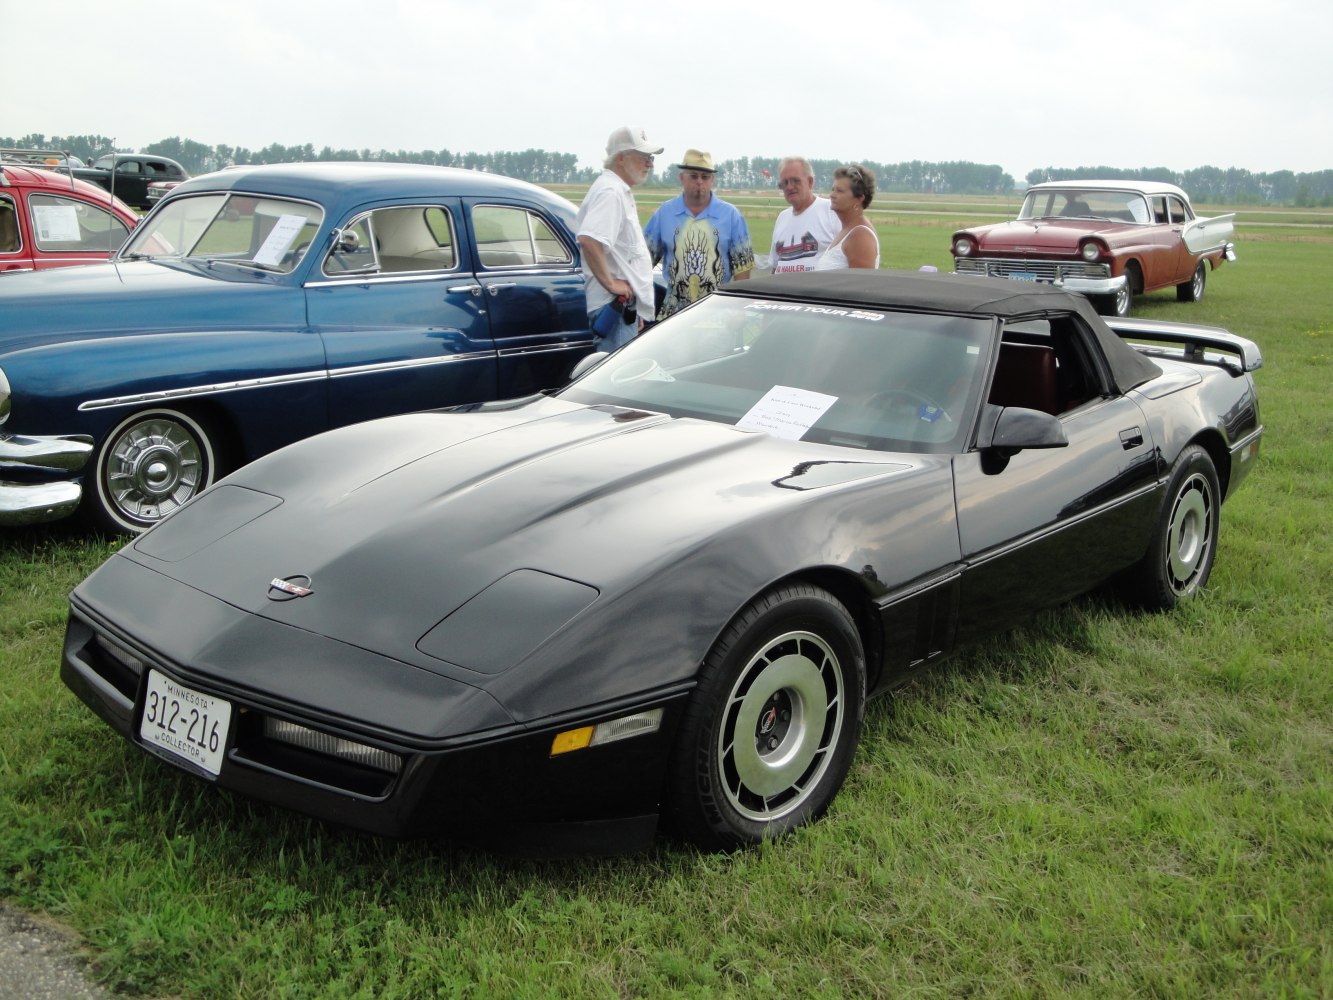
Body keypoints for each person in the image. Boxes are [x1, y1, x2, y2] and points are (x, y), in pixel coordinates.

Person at [576, 126, 663, 351]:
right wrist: (611, 283)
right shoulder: (611, 192)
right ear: (621, 158)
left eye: (650, 157)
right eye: (644, 157)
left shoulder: (616, 189)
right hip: (613, 307)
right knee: (616, 381)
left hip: (622, 308)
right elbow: (589, 240)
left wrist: (637, 309)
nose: (650, 164)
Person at [643, 149, 755, 320]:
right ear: (682, 178)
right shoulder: (664, 213)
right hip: (673, 318)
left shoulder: (731, 216)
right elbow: (642, 263)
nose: (699, 182)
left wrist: (738, 313)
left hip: (719, 317)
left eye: (705, 177)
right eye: (693, 176)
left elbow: (743, 272)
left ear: (712, 180)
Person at [769, 156, 841, 273]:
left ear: (810, 182)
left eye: (795, 181)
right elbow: (775, 265)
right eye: (785, 183)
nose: (790, 187)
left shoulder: (832, 211)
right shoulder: (782, 217)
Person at [814, 164, 880, 270]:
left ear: (859, 199)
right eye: (833, 189)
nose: (832, 195)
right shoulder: (847, 230)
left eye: (839, 191)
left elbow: (861, 283)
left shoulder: (860, 235)